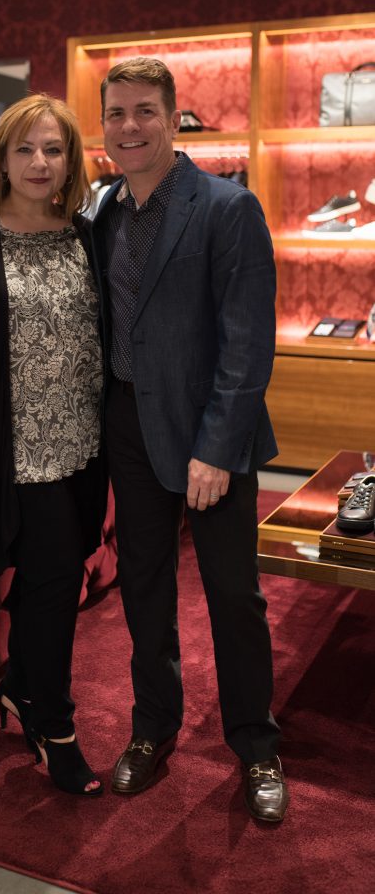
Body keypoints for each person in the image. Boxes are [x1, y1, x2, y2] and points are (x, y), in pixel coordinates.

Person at [92, 57, 289, 822]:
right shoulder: (103, 210)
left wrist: (216, 447)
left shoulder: (227, 208)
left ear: (175, 119)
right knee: (144, 588)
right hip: (129, 429)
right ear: (103, 125)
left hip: (212, 436)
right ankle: (153, 727)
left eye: (145, 111)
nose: (130, 126)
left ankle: (256, 743)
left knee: (233, 596)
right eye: (116, 113)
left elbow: (247, 341)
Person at [0, 94, 106, 797]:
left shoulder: (87, 234)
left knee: (57, 575)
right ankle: (54, 722)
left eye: (54, 149)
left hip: (81, 443)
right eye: (25, 149)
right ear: (2, 158)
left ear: (71, 160)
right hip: (7, 449)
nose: (40, 162)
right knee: (55, 580)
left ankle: (18, 685)